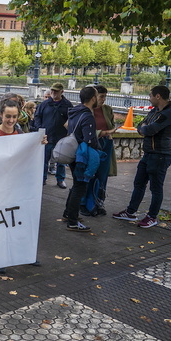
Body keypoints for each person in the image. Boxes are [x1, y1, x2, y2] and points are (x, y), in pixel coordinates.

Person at [0, 99, 46, 270]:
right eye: (7, 117)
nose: (11, 120)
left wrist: (39, 144)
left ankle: (23, 253)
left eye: (14, 117)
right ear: (1, 115)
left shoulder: (20, 134)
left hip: (16, 186)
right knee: (0, 223)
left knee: (19, 221)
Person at [113, 85, 171, 228]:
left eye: (150, 96)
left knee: (156, 188)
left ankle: (152, 216)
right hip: (149, 154)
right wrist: (145, 129)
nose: (149, 99)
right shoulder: (155, 111)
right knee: (139, 183)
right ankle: (131, 212)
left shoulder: (169, 114)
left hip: (161, 155)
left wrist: (146, 129)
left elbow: (150, 129)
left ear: (158, 96)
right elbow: (141, 126)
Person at [62, 86, 100, 232]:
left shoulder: (75, 111)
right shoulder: (87, 115)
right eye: (97, 96)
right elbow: (89, 139)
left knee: (76, 185)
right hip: (81, 157)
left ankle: (68, 213)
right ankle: (72, 221)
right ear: (92, 98)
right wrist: (97, 147)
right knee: (80, 187)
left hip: (72, 153)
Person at [81, 85, 118, 216]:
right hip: (92, 145)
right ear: (94, 97)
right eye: (101, 96)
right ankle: (85, 203)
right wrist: (103, 132)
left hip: (105, 144)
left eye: (105, 97)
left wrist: (108, 133)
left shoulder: (107, 110)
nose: (104, 99)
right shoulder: (86, 110)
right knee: (89, 174)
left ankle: (98, 202)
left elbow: (111, 125)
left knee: (103, 175)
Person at [31, 82, 73, 188]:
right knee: (44, 159)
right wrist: (40, 128)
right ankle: (42, 178)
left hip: (61, 137)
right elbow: (37, 116)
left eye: (56, 91)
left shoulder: (67, 105)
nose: (53, 93)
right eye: (52, 90)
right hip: (47, 135)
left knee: (61, 160)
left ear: (62, 92)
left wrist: (68, 129)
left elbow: (72, 119)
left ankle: (60, 179)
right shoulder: (45, 104)